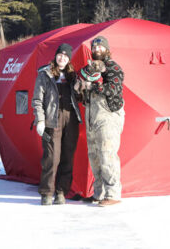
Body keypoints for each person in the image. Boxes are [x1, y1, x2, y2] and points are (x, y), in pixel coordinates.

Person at [32, 43, 82, 206]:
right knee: (51, 157)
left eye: (66, 56)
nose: (62, 58)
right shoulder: (44, 74)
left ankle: (61, 191)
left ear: (69, 59)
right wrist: (40, 120)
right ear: (55, 56)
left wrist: (82, 87)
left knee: (68, 156)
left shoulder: (73, 75)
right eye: (60, 55)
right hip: (52, 120)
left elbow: (80, 97)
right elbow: (37, 100)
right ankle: (47, 192)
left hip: (71, 118)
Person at [80, 35, 125, 207]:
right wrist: (80, 87)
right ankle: (99, 193)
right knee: (95, 156)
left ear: (106, 49)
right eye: (94, 47)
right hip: (92, 116)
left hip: (108, 115)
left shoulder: (113, 67)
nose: (97, 49)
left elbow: (113, 89)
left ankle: (113, 193)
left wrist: (93, 86)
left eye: (100, 47)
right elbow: (81, 85)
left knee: (107, 155)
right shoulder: (90, 68)